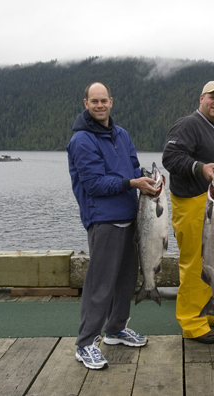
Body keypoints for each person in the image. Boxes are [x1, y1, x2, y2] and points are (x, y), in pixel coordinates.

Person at [67, 82, 158, 370]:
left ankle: (116, 330)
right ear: (86, 103)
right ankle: (85, 343)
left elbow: (132, 167)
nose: (99, 105)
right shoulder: (81, 141)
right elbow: (94, 184)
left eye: (103, 100)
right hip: (103, 220)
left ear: (111, 102)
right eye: (94, 101)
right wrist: (132, 183)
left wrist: (145, 178)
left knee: (126, 281)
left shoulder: (122, 135)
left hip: (132, 217)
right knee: (100, 285)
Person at [162, 81, 214, 344]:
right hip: (196, 207)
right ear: (201, 98)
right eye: (212, 97)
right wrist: (199, 168)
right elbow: (170, 157)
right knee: (197, 266)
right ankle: (193, 323)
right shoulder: (189, 124)